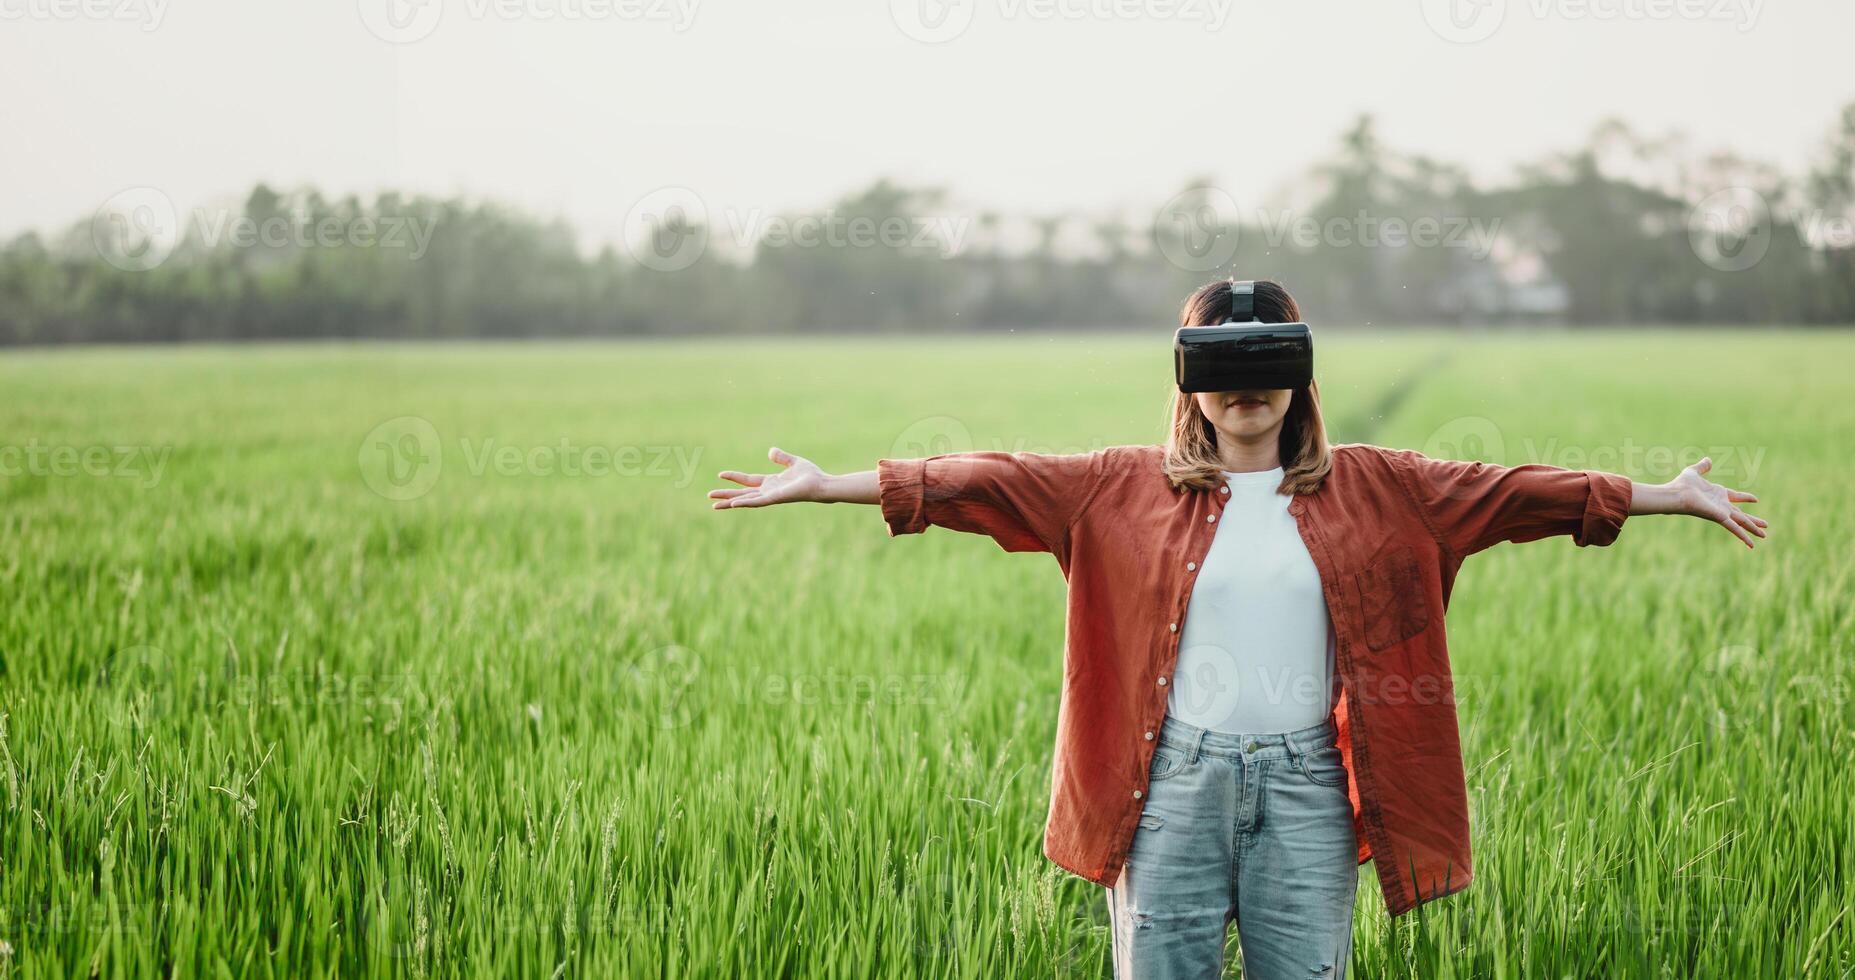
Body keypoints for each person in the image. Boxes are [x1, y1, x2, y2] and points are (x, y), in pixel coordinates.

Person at [705, 278, 1767, 980]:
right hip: (1166, 783)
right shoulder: (1115, 489)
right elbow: (980, 475)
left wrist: (1666, 495)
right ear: (1191, 384)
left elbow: (1519, 490)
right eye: (1223, 365)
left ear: (1300, 374)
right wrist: (829, 484)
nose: (1246, 389)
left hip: (1309, 785)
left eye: (1268, 363)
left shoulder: (1385, 487)